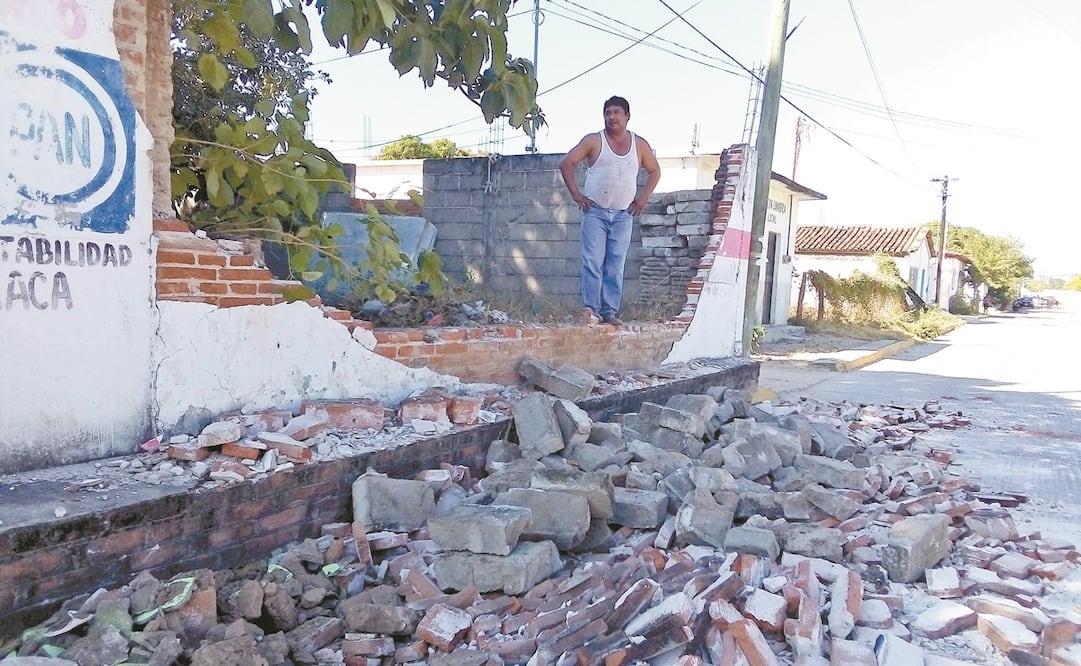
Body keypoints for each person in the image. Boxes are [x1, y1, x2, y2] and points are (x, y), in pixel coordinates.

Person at [559, 95, 661, 326]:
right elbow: (567, 163)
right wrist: (577, 195)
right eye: (607, 113)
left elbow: (655, 171)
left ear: (627, 116)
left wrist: (642, 199)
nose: (611, 117)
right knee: (593, 261)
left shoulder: (639, 145)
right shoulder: (594, 141)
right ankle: (591, 310)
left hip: (624, 215)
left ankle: (609, 311)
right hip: (596, 212)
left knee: (615, 264)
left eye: (616, 112)